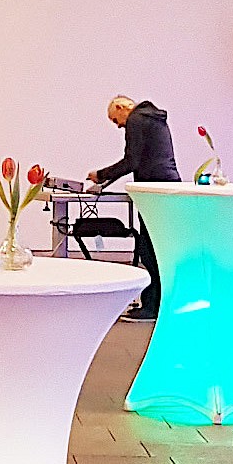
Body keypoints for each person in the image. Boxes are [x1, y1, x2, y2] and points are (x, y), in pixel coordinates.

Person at [87, 96, 179, 320]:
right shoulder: (154, 118)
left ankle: (152, 307)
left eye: (115, 119)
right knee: (159, 250)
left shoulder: (136, 120)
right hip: (168, 187)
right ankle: (160, 303)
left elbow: (131, 161)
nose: (118, 125)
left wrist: (101, 175)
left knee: (148, 250)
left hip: (153, 191)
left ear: (121, 107)